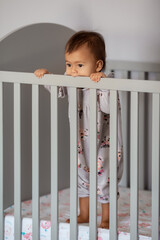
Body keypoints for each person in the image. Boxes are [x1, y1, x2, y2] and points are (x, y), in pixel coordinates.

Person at [34, 31, 123, 229]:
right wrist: (46, 77)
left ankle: (107, 217)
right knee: (82, 177)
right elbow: (58, 90)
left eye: (79, 65)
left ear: (98, 66)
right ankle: (84, 214)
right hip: (81, 143)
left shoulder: (106, 84)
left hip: (104, 145)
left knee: (104, 180)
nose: (72, 71)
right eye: (69, 64)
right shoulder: (72, 81)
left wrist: (104, 85)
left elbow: (109, 108)